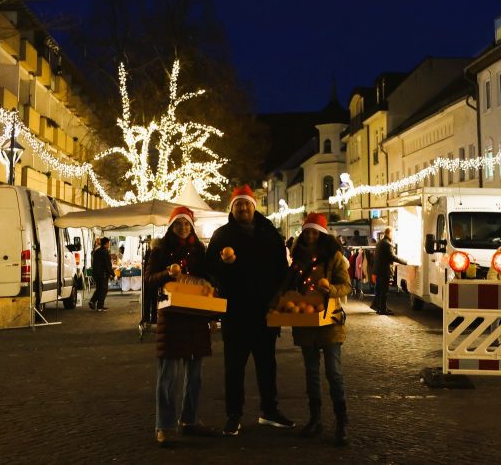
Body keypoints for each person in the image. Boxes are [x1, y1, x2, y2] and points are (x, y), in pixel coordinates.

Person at [206, 184, 293, 436]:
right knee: (234, 367)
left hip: (266, 311)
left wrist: (279, 296)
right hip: (235, 312)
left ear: (254, 206)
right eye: (238, 204)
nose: (243, 208)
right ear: (232, 209)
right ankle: (234, 414)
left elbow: (282, 270)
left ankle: (270, 410)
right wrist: (222, 265)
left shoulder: (270, 232)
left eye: (246, 204)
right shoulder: (221, 235)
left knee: (267, 365)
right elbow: (209, 268)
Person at [146, 207, 215, 447]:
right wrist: (167, 272)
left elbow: (209, 275)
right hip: (172, 316)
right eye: (179, 224)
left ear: (191, 226)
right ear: (172, 226)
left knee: (195, 375)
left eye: (186, 224)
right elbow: (149, 279)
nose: (183, 228)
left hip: (195, 315)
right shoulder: (161, 249)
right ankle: (164, 426)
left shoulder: (199, 250)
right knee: (168, 376)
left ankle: (190, 420)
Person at [284, 213, 351, 446]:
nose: (311, 236)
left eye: (315, 232)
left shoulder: (334, 257)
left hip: (330, 322)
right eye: (307, 232)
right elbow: (290, 284)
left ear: (322, 234)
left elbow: (346, 286)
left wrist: (330, 289)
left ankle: (341, 421)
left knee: (334, 373)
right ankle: (315, 419)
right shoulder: (297, 257)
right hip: (305, 320)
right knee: (311, 373)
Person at [372, 228, 407, 315]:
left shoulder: (380, 242)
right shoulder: (387, 244)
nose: (393, 235)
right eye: (393, 233)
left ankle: (380, 308)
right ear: (390, 233)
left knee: (380, 290)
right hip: (384, 271)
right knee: (384, 291)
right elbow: (392, 257)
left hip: (379, 270)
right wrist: (404, 261)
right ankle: (383, 310)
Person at [89, 237, 115, 311]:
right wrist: (112, 273)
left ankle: (93, 301)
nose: (109, 244)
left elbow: (94, 263)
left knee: (99, 289)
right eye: (108, 243)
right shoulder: (105, 252)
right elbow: (107, 264)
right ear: (106, 244)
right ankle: (100, 306)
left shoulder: (97, 251)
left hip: (96, 273)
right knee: (103, 289)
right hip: (103, 274)